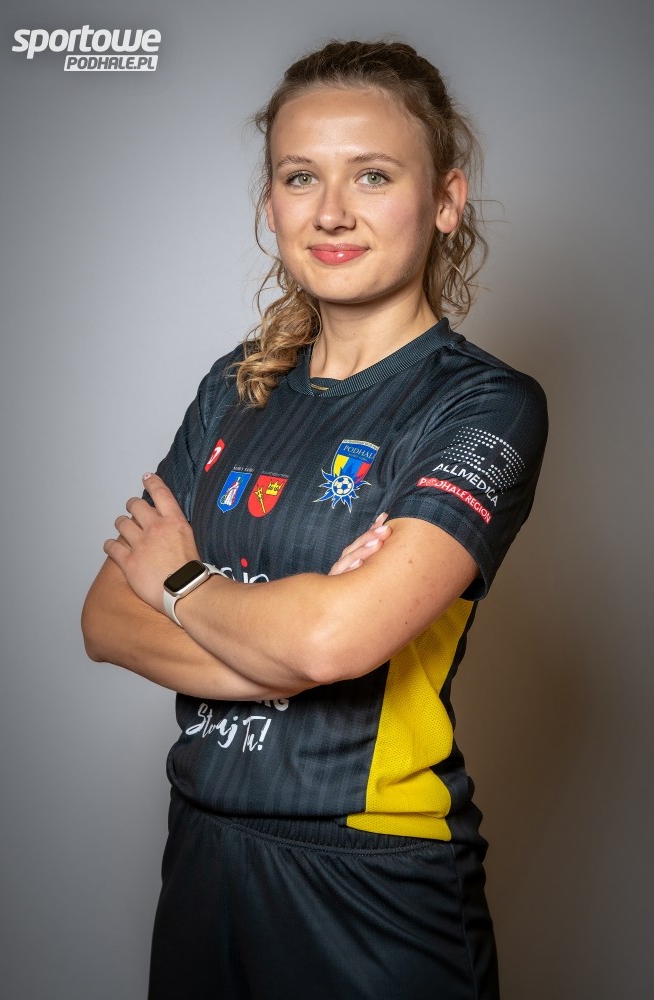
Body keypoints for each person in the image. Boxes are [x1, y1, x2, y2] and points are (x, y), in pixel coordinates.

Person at [82, 39, 547, 1000]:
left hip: (371, 878)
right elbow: (105, 620)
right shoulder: (234, 388)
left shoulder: (482, 405)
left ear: (445, 200)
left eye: (372, 175)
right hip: (201, 850)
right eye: (301, 177)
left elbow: (336, 640)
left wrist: (181, 581)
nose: (331, 211)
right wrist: (283, 655)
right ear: (272, 205)